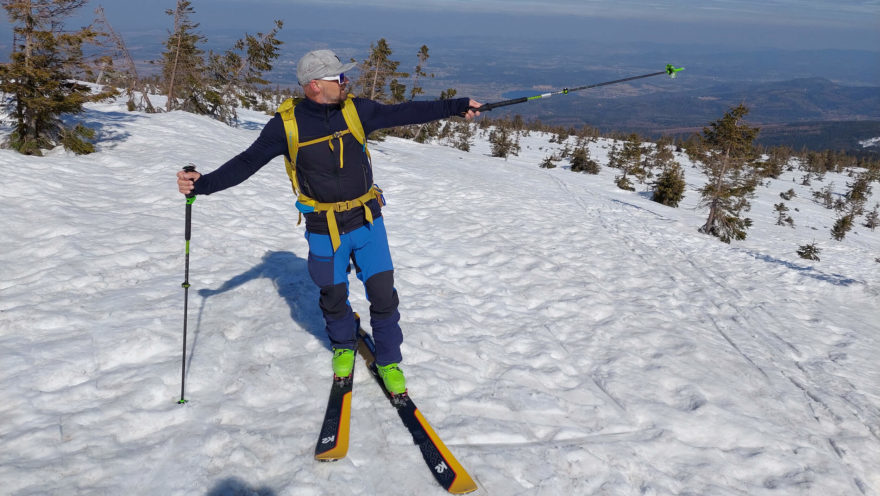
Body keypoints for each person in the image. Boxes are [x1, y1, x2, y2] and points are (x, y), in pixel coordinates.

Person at [177, 49, 481, 395]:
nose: (346, 81)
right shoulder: (286, 126)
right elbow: (247, 163)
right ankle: (342, 346)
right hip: (323, 228)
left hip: (367, 221)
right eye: (338, 77)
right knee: (333, 296)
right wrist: (203, 185)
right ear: (314, 86)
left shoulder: (356, 111)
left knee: (384, 297)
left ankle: (389, 361)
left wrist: (455, 105)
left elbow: (404, 112)